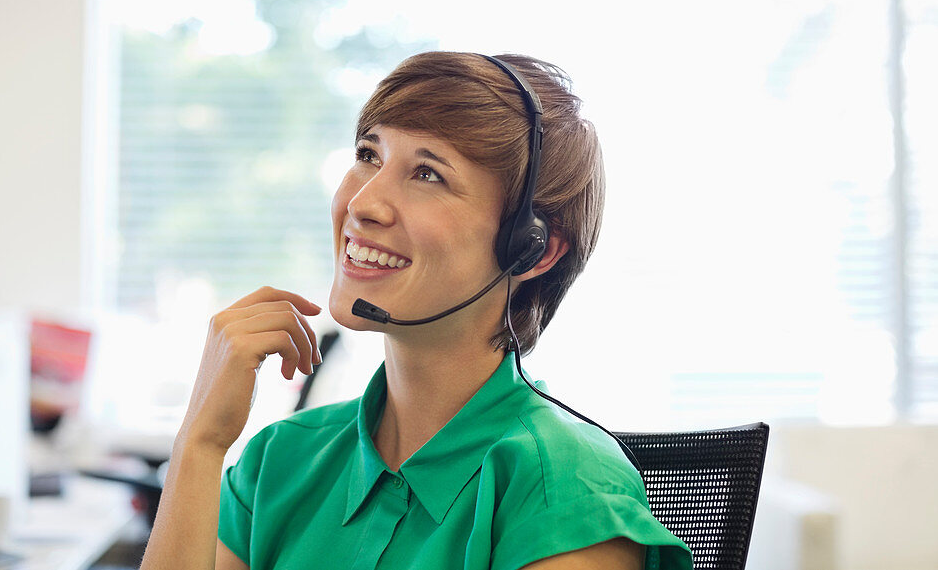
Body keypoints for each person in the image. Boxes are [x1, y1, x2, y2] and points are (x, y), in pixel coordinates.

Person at [140, 52, 693, 570]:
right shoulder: (278, 463)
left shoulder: (568, 492)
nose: (362, 203)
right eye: (368, 156)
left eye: (428, 173)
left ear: (532, 250)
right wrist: (199, 443)